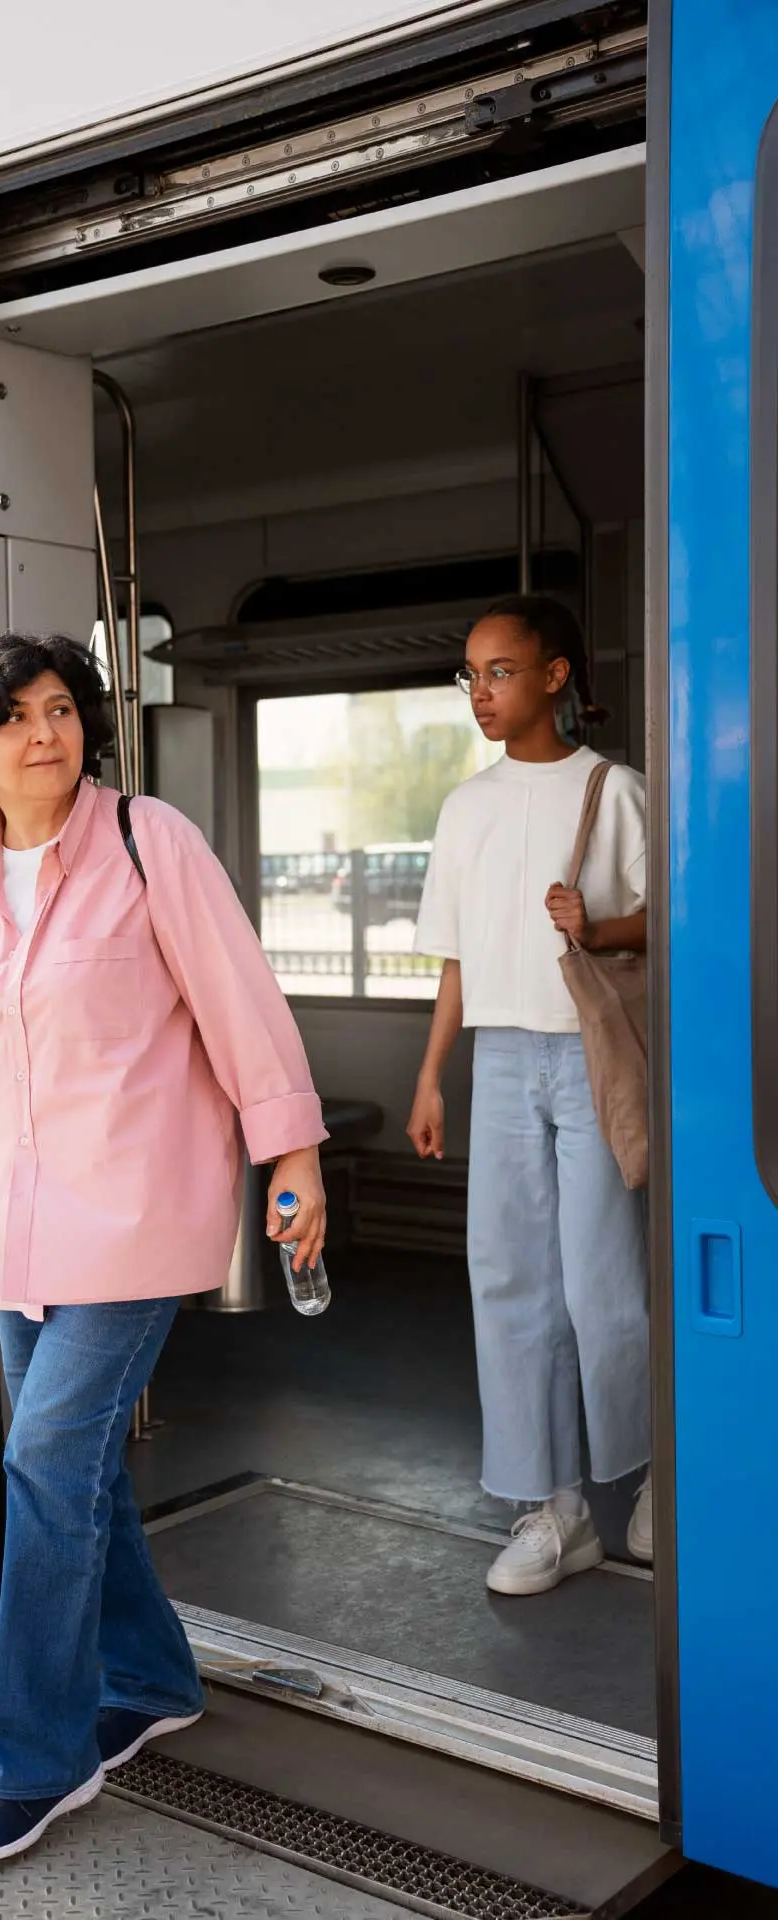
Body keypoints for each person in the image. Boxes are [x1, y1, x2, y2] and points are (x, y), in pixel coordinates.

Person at [0, 633, 327, 1862]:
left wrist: (290, 1155)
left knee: (41, 1463)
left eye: (62, 708)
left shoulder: (150, 842)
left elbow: (243, 1001)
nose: (47, 732)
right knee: (72, 1475)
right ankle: (152, 1679)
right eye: (15, 716)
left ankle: (39, 1754)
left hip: (139, 1221)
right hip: (22, 1234)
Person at [406, 595, 651, 1596]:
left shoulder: (618, 790)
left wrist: (596, 931)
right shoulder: (466, 808)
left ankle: (648, 1481)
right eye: (472, 675)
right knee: (509, 1284)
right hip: (501, 1060)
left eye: (501, 671)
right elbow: (457, 961)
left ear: (556, 675)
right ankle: (553, 1512)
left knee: (604, 1289)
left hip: (590, 1054)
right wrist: (430, 1075)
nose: (482, 693)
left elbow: (666, 921)